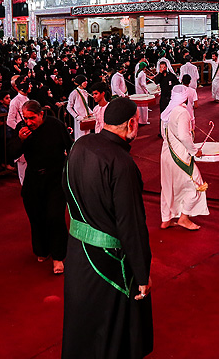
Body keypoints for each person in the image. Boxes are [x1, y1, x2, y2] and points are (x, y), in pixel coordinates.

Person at [62, 97, 152, 359]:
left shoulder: (80, 144)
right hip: (110, 261)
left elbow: (66, 188)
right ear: (131, 123)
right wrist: (142, 274)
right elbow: (131, 223)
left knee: (83, 319)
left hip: (78, 251)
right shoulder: (122, 163)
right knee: (110, 327)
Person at [7, 100, 72, 275]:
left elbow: (70, 146)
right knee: (36, 215)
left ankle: (58, 256)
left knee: (55, 216)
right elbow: (12, 152)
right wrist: (21, 140)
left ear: (41, 114)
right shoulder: (22, 129)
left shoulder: (55, 125)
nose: (29, 122)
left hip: (55, 177)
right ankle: (42, 249)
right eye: (26, 118)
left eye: (32, 118)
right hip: (33, 178)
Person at [159, 91, 208, 231]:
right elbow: (184, 136)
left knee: (168, 186)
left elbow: (164, 134)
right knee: (195, 184)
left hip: (167, 153)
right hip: (180, 156)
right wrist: (194, 151)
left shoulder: (168, 111)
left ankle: (166, 219)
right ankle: (184, 217)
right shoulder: (182, 112)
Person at [67, 75, 92, 140]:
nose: (86, 83)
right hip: (80, 119)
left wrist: (91, 113)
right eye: (84, 81)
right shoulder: (74, 93)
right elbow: (69, 107)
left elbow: (85, 105)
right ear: (80, 82)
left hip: (86, 118)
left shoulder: (85, 92)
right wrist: (76, 116)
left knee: (87, 136)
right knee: (81, 137)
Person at [134, 61, 152, 125]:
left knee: (139, 106)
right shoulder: (143, 74)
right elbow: (143, 84)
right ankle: (144, 121)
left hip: (138, 91)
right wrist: (147, 91)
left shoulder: (137, 73)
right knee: (144, 107)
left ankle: (140, 120)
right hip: (142, 91)